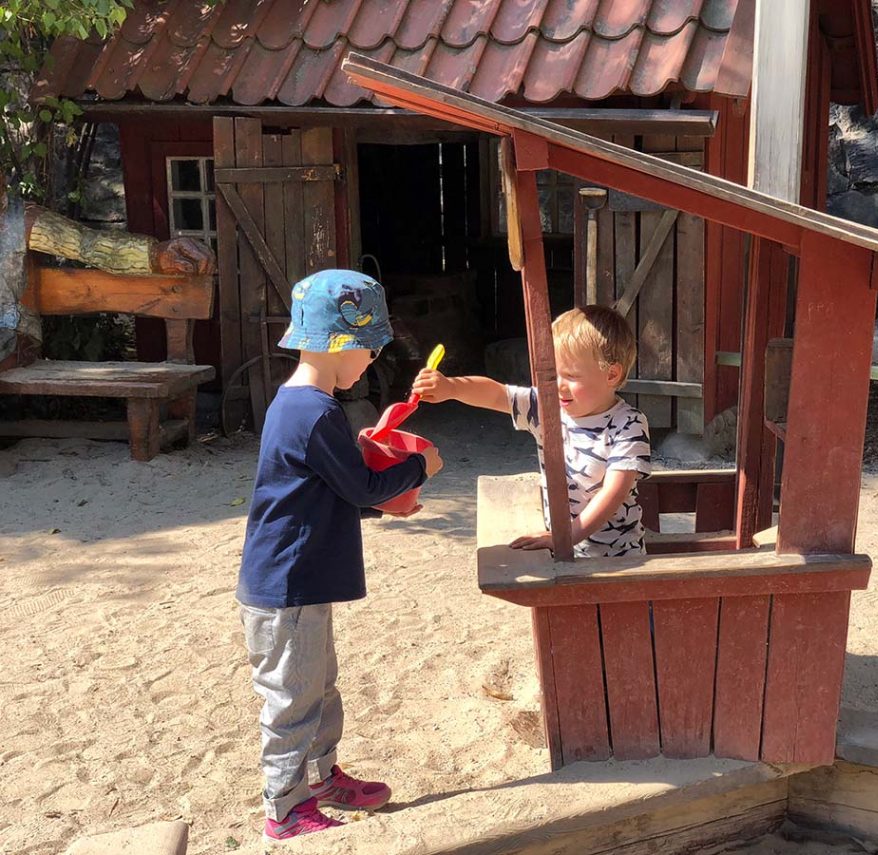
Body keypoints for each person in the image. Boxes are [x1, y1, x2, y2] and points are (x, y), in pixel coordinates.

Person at [236, 269, 443, 840]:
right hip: (288, 587)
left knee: (319, 687)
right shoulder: (315, 412)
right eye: (369, 353)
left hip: (299, 582)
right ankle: (284, 807)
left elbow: (323, 493)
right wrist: (420, 467)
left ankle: (323, 778)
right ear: (342, 346)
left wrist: (382, 508)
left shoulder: (299, 405)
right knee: (292, 699)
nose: (370, 364)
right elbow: (359, 485)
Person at [412, 305, 650, 557]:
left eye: (571, 376)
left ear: (611, 374)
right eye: (553, 374)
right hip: (559, 547)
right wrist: (451, 388)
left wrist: (567, 536)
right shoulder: (547, 408)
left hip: (616, 560)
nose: (558, 386)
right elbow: (497, 394)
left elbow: (613, 493)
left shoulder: (628, 424)